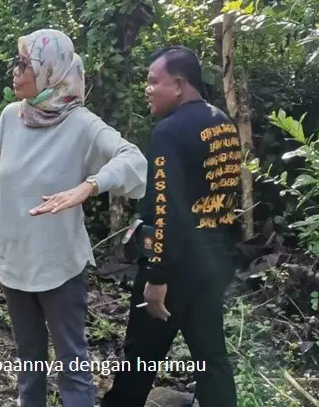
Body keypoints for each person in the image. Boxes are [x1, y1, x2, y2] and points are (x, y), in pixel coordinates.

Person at [0, 29, 148, 407]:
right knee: (29, 369)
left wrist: (90, 185)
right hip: (14, 265)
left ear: (50, 72)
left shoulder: (81, 124)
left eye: (24, 64)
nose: (15, 71)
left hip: (59, 268)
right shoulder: (11, 118)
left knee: (73, 370)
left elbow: (136, 162)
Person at [100, 46, 241, 407]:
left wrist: (157, 278)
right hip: (213, 266)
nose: (147, 89)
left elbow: (164, 210)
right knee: (213, 362)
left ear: (178, 85)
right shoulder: (223, 123)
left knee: (139, 362)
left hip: (173, 270)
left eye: (153, 81)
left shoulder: (170, 131)